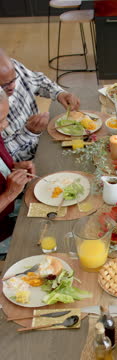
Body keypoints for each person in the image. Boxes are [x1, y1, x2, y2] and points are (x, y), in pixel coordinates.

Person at [0, 48, 80, 162]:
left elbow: (38, 81)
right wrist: (29, 132)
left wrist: (59, 93)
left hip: (43, 139)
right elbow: (5, 159)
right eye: (4, 86)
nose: (12, 86)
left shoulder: (11, 67)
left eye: (14, 79)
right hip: (24, 163)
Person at [0, 88, 35, 255]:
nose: (5, 125)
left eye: (5, 118)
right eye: (0, 121)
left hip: (12, 208)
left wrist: (13, 166)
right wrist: (9, 194)